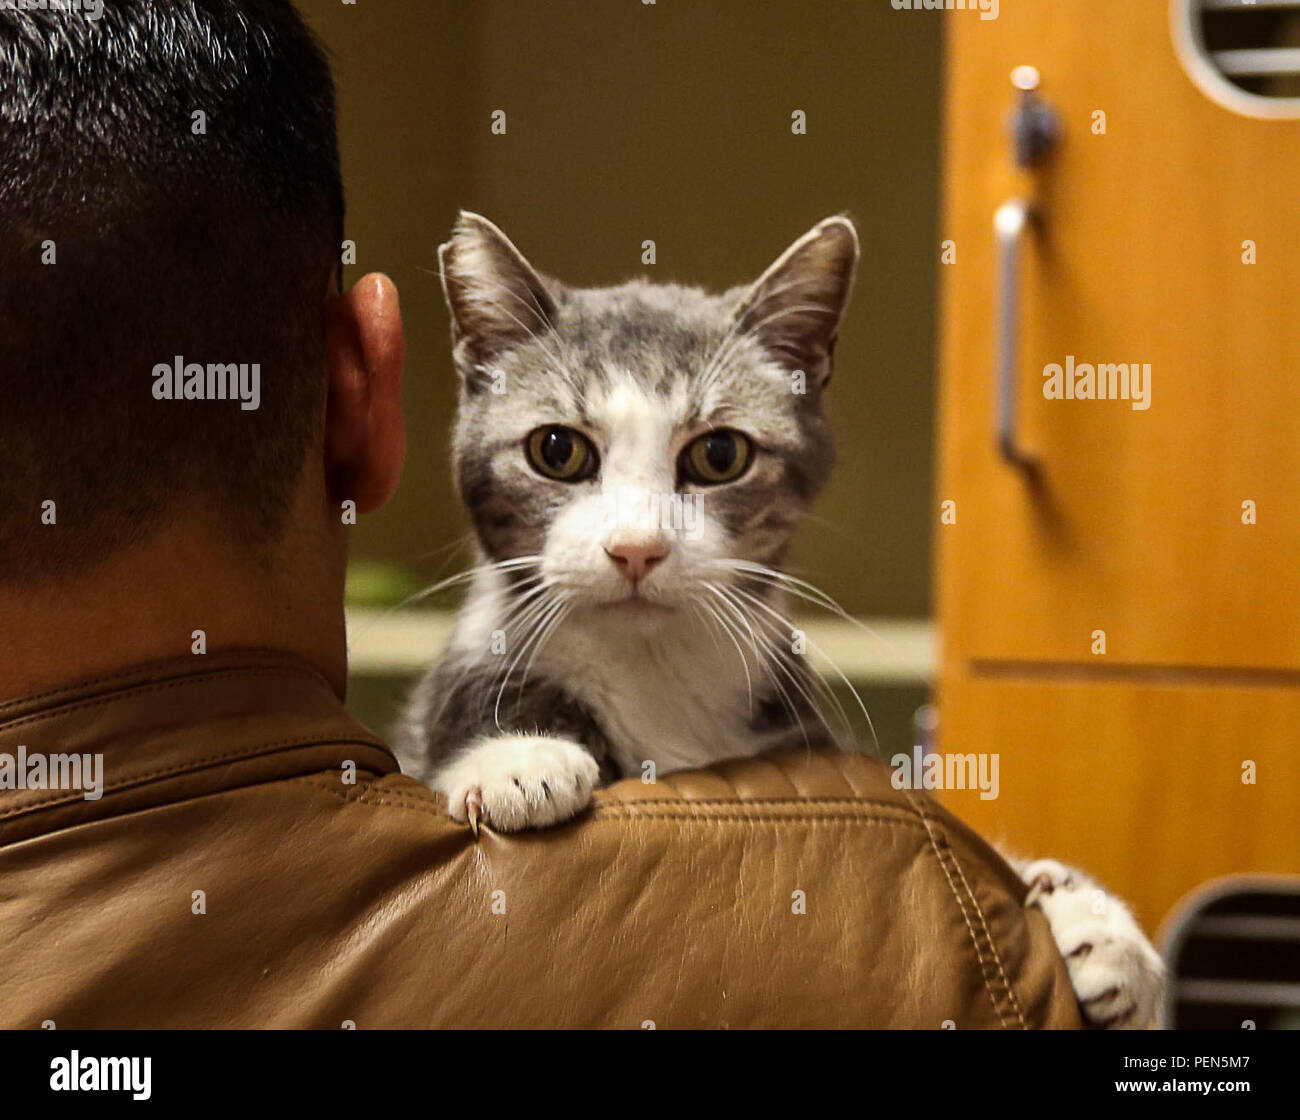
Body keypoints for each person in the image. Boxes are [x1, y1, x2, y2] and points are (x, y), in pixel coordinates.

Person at [0, 0, 1080, 1028]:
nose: (638, 537)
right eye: (560, 453)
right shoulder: (941, 927)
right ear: (367, 402)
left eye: (714, 457)